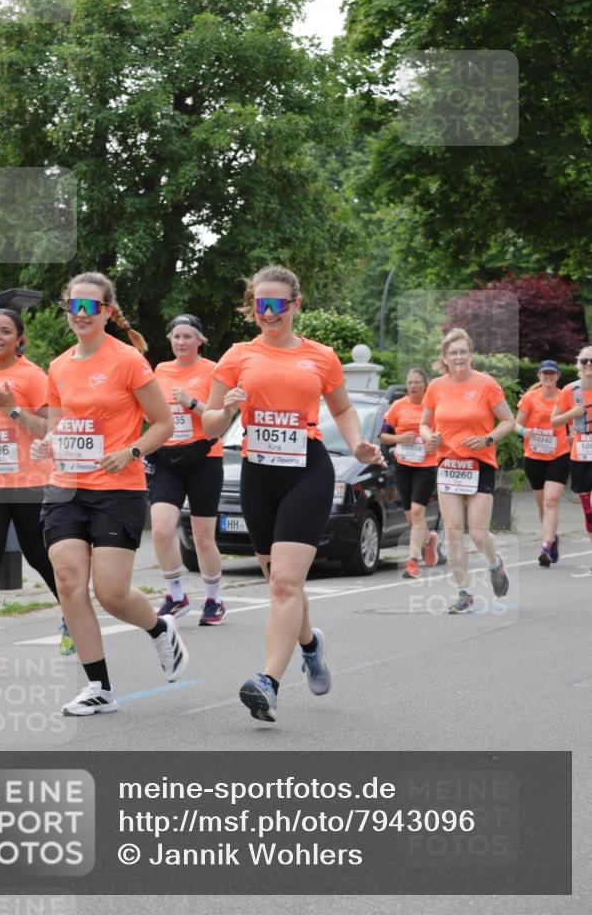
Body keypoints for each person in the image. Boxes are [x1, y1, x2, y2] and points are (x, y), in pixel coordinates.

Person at [203, 265, 385, 723]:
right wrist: (225, 411)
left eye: (277, 304)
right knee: (280, 582)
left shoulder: (320, 356)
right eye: (260, 305)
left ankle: (267, 682)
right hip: (257, 472)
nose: (268, 313)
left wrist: (358, 442)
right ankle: (310, 643)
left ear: (295, 305)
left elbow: (342, 408)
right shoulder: (236, 356)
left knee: (285, 583)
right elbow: (207, 423)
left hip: (308, 468)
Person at [30, 272, 189, 716]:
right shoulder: (59, 366)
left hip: (117, 488)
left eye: (89, 307)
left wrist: (131, 450)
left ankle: (160, 629)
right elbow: (59, 426)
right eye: (73, 308)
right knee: (68, 582)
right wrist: (46, 442)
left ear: (105, 311)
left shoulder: (127, 361)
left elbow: (164, 423)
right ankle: (99, 687)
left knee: (112, 592)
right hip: (66, 487)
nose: (80, 315)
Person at [0, 308, 73, 674]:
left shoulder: (34, 376)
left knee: (38, 555)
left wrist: (13, 410)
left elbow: (47, 428)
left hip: (28, 482)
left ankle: (73, 618)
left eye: (5, 331)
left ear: (19, 338)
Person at [419, 328, 515, 614]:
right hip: (448, 464)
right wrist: (428, 437)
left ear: (471, 355)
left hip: (479, 464)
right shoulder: (436, 386)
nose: (458, 357)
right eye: (453, 353)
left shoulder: (486, 384)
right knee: (452, 530)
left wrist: (487, 439)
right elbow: (424, 423)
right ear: (445, 358)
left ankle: (495, 562)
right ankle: (464, 593)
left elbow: (508, 421)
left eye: (463, 352)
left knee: (477, 532)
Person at [150, 314, 226, 625]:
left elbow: (220, 417)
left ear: (199, 341)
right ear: (170, 340)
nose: (181, 342)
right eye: (176, 337)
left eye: (187, 336)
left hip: (204, 457)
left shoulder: (213, 371)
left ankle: (214, 599)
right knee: (161, 530)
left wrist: (191, 403)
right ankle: (176, 595)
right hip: (168, 458)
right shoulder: (160, 371)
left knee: (203, 537)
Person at [379, 368, 440, 579]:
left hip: (426, 465)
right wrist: (399, 439)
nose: (412, 386)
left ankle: (412, 562)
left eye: (416, 382)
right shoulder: (398, 406)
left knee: (416, 512)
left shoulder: (432, 407)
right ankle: (428, 540)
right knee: (410, 515)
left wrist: (435, 446)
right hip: (404, 465)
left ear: (425, 385)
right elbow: (383, 435)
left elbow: (443, 434)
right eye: (409, 382)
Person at [515, 360, 570, 567]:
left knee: (551, 501)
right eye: (544, 374)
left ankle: (546, 545)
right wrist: (524, 432)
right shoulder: (530, 398)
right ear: (539, 376)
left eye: (552, 374)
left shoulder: (565, 395)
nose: (548, 377)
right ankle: (553, 537)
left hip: (559, 454)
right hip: (534, 457)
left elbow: (573, 420)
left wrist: (573, 434)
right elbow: (515, 424)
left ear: (557, 376)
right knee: (542, 505)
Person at [551, 344, 592, 569]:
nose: (588, 365)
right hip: (581, 454)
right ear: (579, 364)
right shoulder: (570, 390)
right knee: (588, 511)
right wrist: (572, 414)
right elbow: (554, 420)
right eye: (584, 361)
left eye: (591, 361)